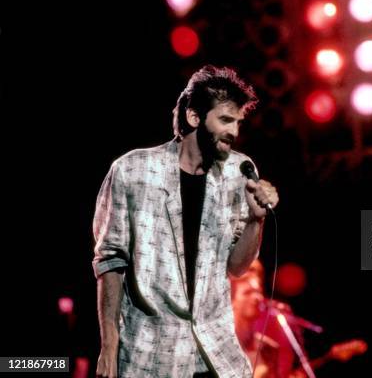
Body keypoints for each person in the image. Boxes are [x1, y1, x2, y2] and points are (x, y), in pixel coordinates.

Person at [92, 65, 279, 377]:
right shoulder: (133, 171)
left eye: (238, 122)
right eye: (225, 119)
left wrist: (254, 222)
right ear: (194, 117)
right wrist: (109, 346)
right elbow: (110, 262)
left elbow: (237, 267)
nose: (234, 131)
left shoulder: (239, 172)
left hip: (215, 352)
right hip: (150, 355)